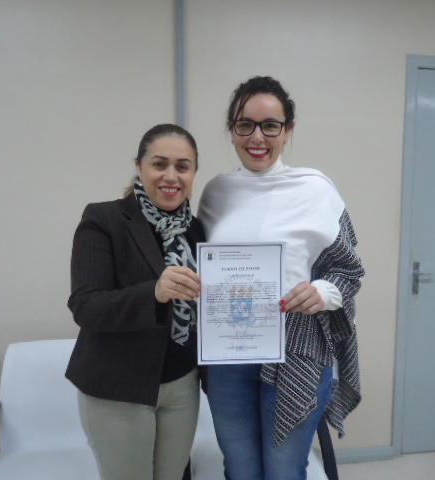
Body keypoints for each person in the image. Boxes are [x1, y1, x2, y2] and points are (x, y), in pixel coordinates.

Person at [197, 76, 364, 480]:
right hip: (228, 356)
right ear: (232, 130)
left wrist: (321, 291)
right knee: (240, 468)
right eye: (245, 125)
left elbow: (349, 270)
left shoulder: (316, 189)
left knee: (284, 471)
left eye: (270, 126)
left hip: (296, 352)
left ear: (287, 131)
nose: (258, 137)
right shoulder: (216, 192)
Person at [66, 124, 204, 480]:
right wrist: (154, 292)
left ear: (193, 173)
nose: (171, 176)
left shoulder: (197, 230)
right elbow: (86, 306)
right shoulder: (104, 219)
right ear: (139, 167)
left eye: (183, 166)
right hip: (119, 388)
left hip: (182, 386)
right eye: (159, 164)